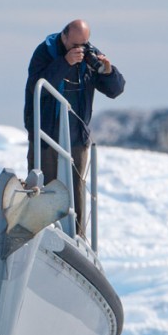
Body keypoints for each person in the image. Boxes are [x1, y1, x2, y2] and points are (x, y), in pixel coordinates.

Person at [23, 19, 125, 235]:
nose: (80, 49)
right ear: (64, 36)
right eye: (76, 45)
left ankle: (77, 240)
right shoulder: (45, 52)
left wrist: (108, 72)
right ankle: (40, 235)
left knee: (76, 193)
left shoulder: (89, 54)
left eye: (85, 43)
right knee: (44, 190)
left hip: (76, 136)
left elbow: (115, 90)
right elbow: (36, 87)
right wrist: (64, 63)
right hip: (46, 135)